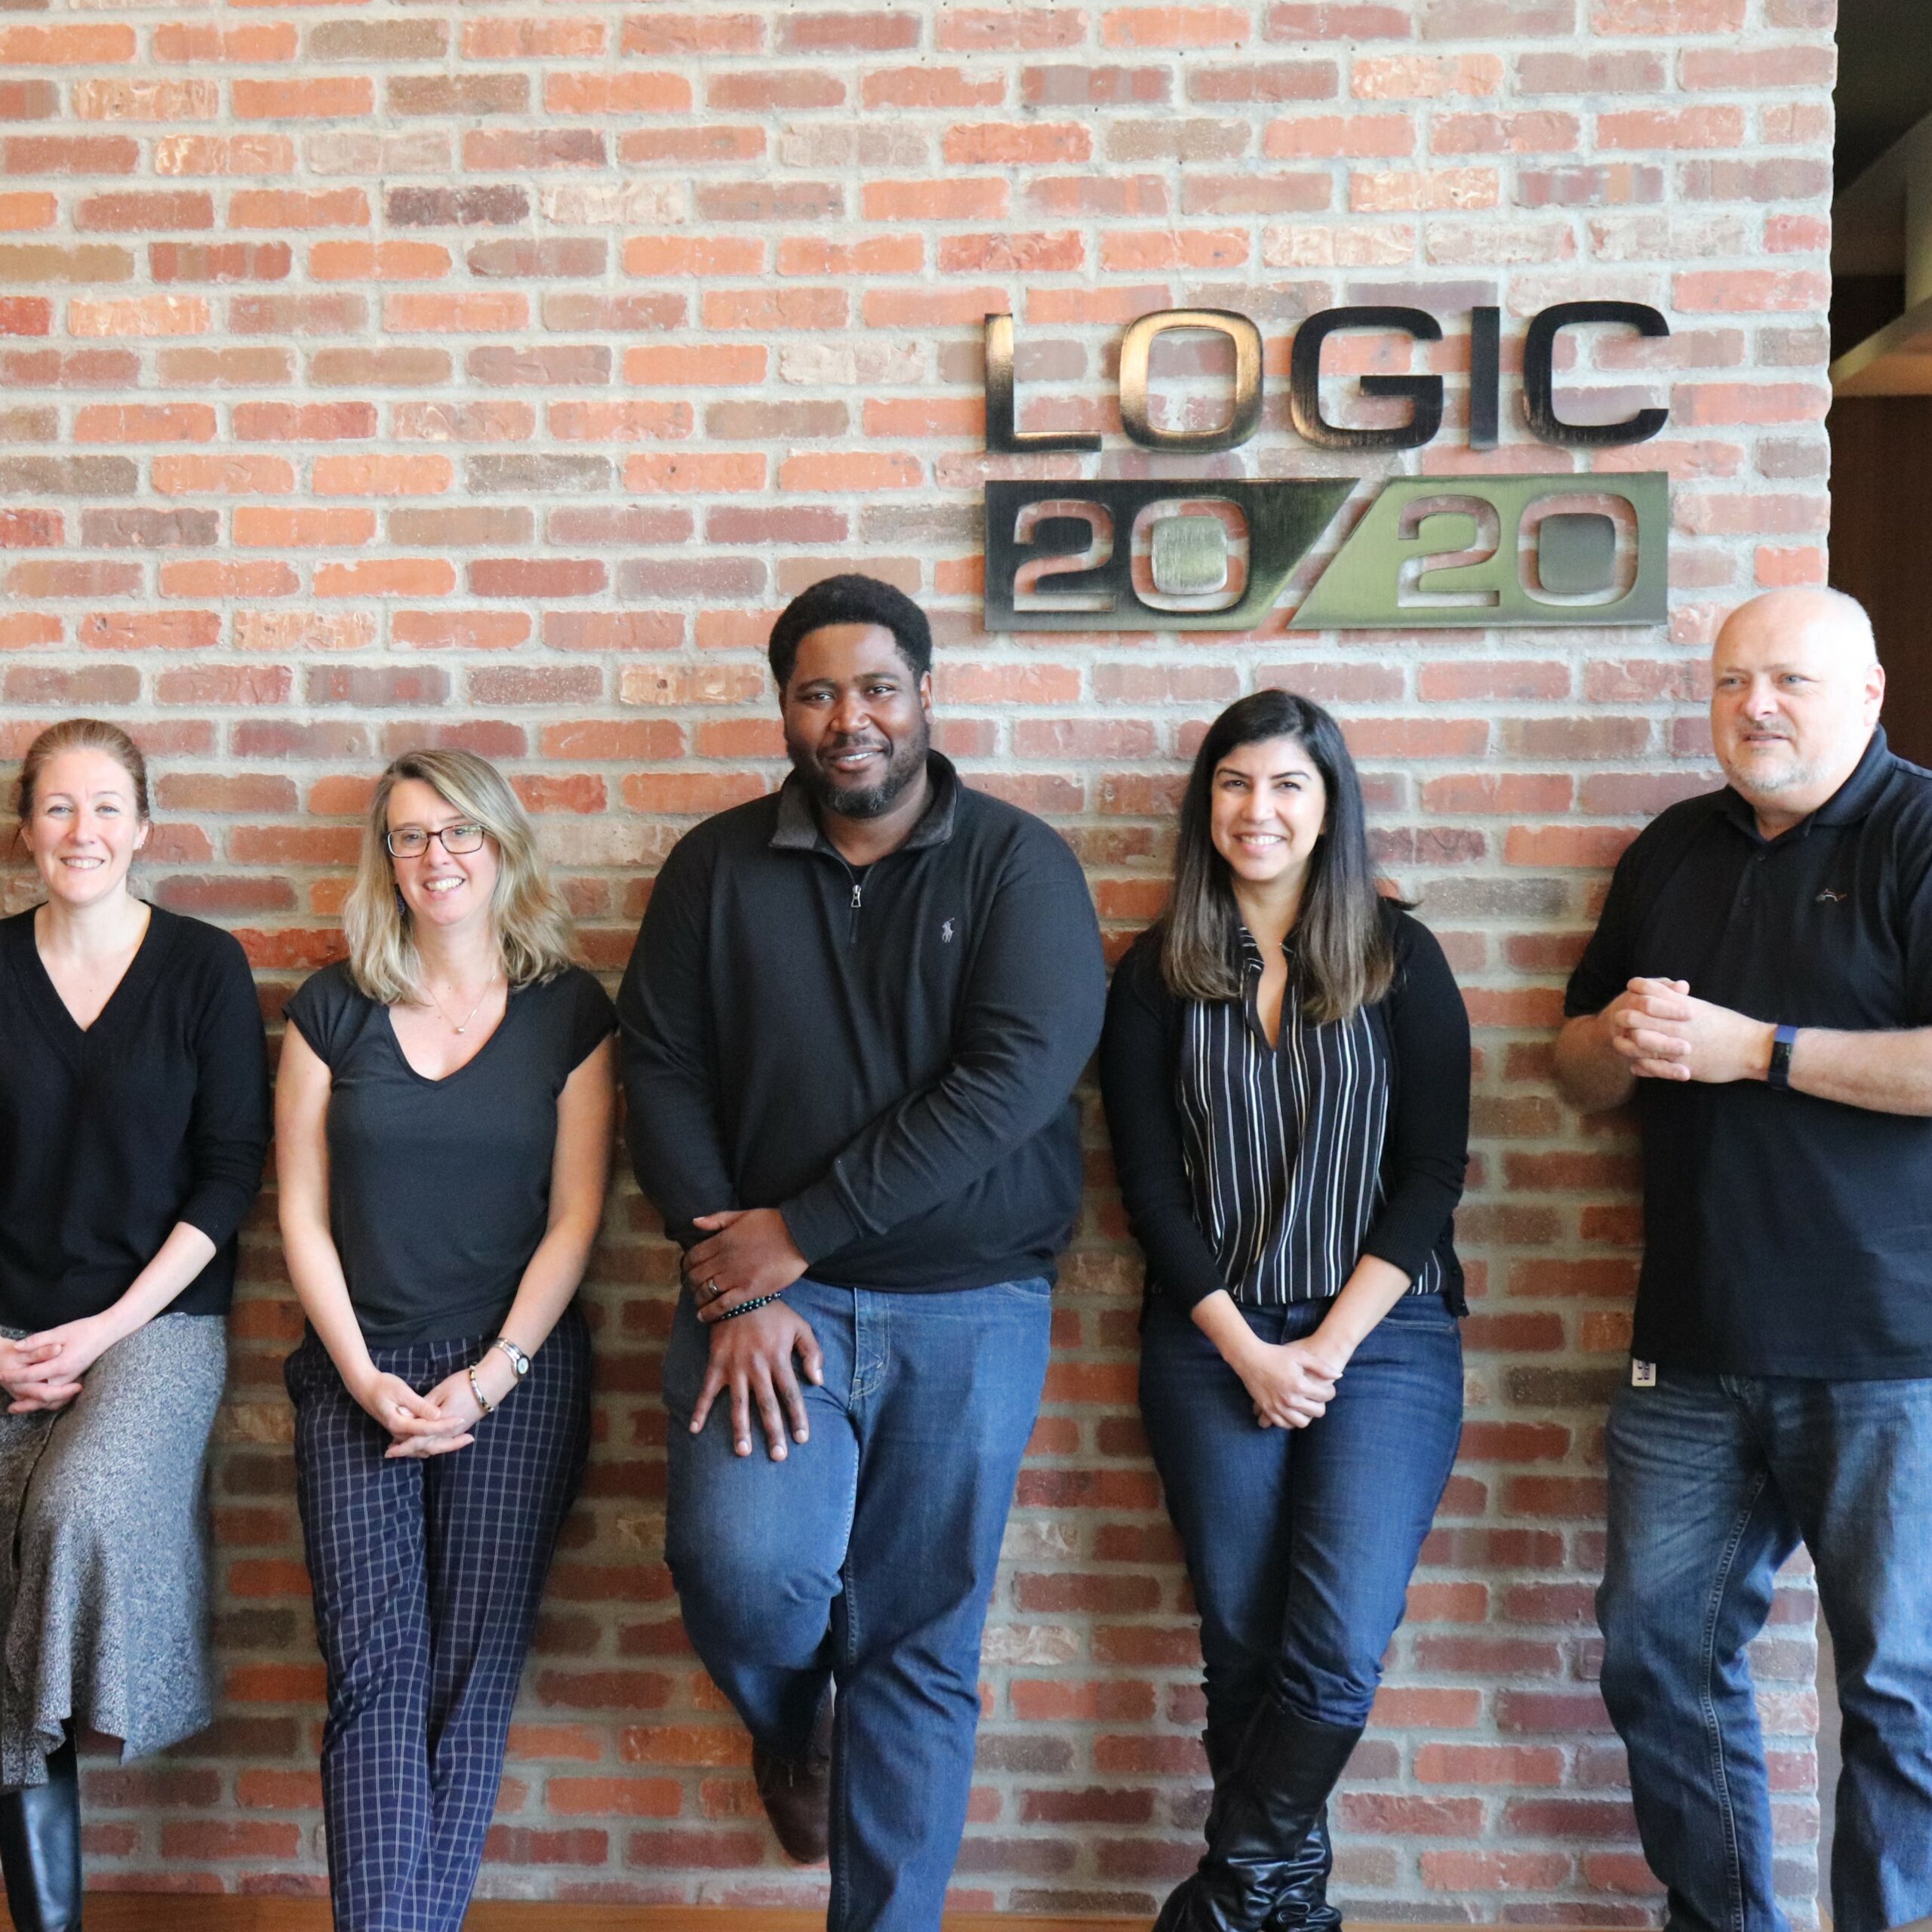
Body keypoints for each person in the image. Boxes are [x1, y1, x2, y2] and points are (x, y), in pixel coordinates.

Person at [620, 573, 1106, 1932]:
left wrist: (802, 1228)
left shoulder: (1019, 863)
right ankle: (793, 1723)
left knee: (921, 1644)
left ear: (927, 697)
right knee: (742, 1570)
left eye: (877, 688)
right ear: (784, 709)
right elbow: (660, 1069)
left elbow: (1011, 1081)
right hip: (771, 1308)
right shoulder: (714, 869)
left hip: (970, 1308)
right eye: (818, 692)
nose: (851, 719)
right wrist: (735, 1267)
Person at [1555, 586, 1932, 1932]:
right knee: (1654, 1654)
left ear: (1871, 695)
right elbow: (1576, 1066)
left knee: (1898, 1692)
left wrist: (1756, 1048)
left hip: (1895, 1354)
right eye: (1729, 682)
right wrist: (1618, 1042)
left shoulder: (1921, 833)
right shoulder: (1671, 850)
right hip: (1694, 1348)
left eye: (1789, 681)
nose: (1754, 706)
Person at [1099, 690, 1469, 1932]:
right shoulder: (1154, 975)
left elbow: (1432, 1174)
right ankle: (1289, 1907)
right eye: (1237, 785)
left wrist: (1321, 1348)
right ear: (1208, 805)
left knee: (1336, 1638)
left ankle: (1232, 1887)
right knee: (1244, 1642)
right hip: (1212, 1342)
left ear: (1330, 809)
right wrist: (1249, 1349)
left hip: (1386, 1337)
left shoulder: (1402, 959)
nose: (1260, 811)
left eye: (1289, 787)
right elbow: (1146, 1187)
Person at [275, 749, 616, 1932]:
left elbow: (578, 1215)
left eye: (461, 831)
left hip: (514, 1374)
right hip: (354, 1370)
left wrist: (490, 1377)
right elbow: (300, 1216)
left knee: (469, 1682)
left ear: (504, 846)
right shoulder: (331, 1009)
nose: (438, 856)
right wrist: (366, 1375)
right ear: (387, 859)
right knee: (373, 1676)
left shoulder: (571, 1009)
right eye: (412, 836)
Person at [0, 717, 269, 1932]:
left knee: (67, 1514)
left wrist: (106, 1326)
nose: (83, 832)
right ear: (25, 830)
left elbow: (228, 1177)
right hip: (5, 1324)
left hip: (156, 1322)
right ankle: (46, 1914)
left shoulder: (204, 968)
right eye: (58, 808)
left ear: (145, 827)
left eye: (107, 807)